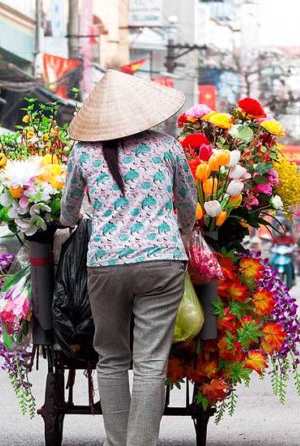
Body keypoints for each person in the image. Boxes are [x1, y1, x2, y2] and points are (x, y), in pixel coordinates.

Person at [59, 70, 196, 446]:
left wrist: (82, 215)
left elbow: (67, 214)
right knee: (151, 360)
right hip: (163, 262)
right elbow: (188, 206)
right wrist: (183, 229)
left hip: (105, 264)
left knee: (112, 357)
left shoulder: (83, 153)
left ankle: (118, 442)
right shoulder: (168, 147)